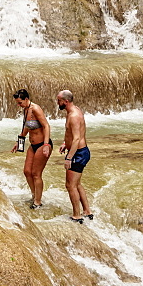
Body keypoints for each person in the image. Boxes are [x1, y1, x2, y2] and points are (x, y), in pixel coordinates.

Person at [11, 89, 52, 208]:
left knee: (36, 173)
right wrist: (19, 141)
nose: (19, 105)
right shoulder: (26, 110)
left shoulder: (35, 109)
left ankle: (38, 202)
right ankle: (34, 195)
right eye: (17, 103)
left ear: (27, 99)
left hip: (42, 144)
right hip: (32, 145)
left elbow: (46, 126)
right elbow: (26, 127)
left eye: (20, 103)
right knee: (27, 171)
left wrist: (46, 145)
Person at [57, 90, 93, 223]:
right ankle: (87, 211)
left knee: (70, 185)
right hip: (79, 151)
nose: (57, 102)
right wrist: (65, 143)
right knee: (76, 184)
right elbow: (72, 134)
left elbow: (77, 138)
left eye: (59, 100)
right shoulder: (73, 110)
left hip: (78, 153)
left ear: (65, 102)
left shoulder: (74, 116)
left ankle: (76, 216)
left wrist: (68, 158)